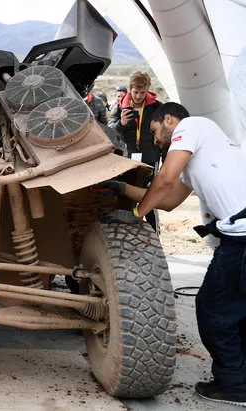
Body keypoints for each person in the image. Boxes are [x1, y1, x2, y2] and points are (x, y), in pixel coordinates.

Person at [97, 102, 246, 406]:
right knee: (234, 310)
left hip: (242, 239)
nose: (156, 141)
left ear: (168, 119)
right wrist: (122, 188)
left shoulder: (193, 126)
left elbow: (164, 180)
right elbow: (168, 200)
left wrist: (137, 214)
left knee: (215, 310)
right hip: (238, 239)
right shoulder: (201, 159)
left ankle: (234, 385)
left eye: (156, 132)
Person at [107, 71, 162, 230]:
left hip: (150, 159)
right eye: (135, 92)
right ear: (130, 89)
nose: (138, 96)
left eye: (142, 92)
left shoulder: (157, 107)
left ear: (148, 90)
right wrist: (121, 124)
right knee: (125, 194)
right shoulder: (119, 107)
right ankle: (125, 230)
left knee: (149, 195)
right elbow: (110, 133)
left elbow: (165, 133)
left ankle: (153, 232)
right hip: (127, 160)